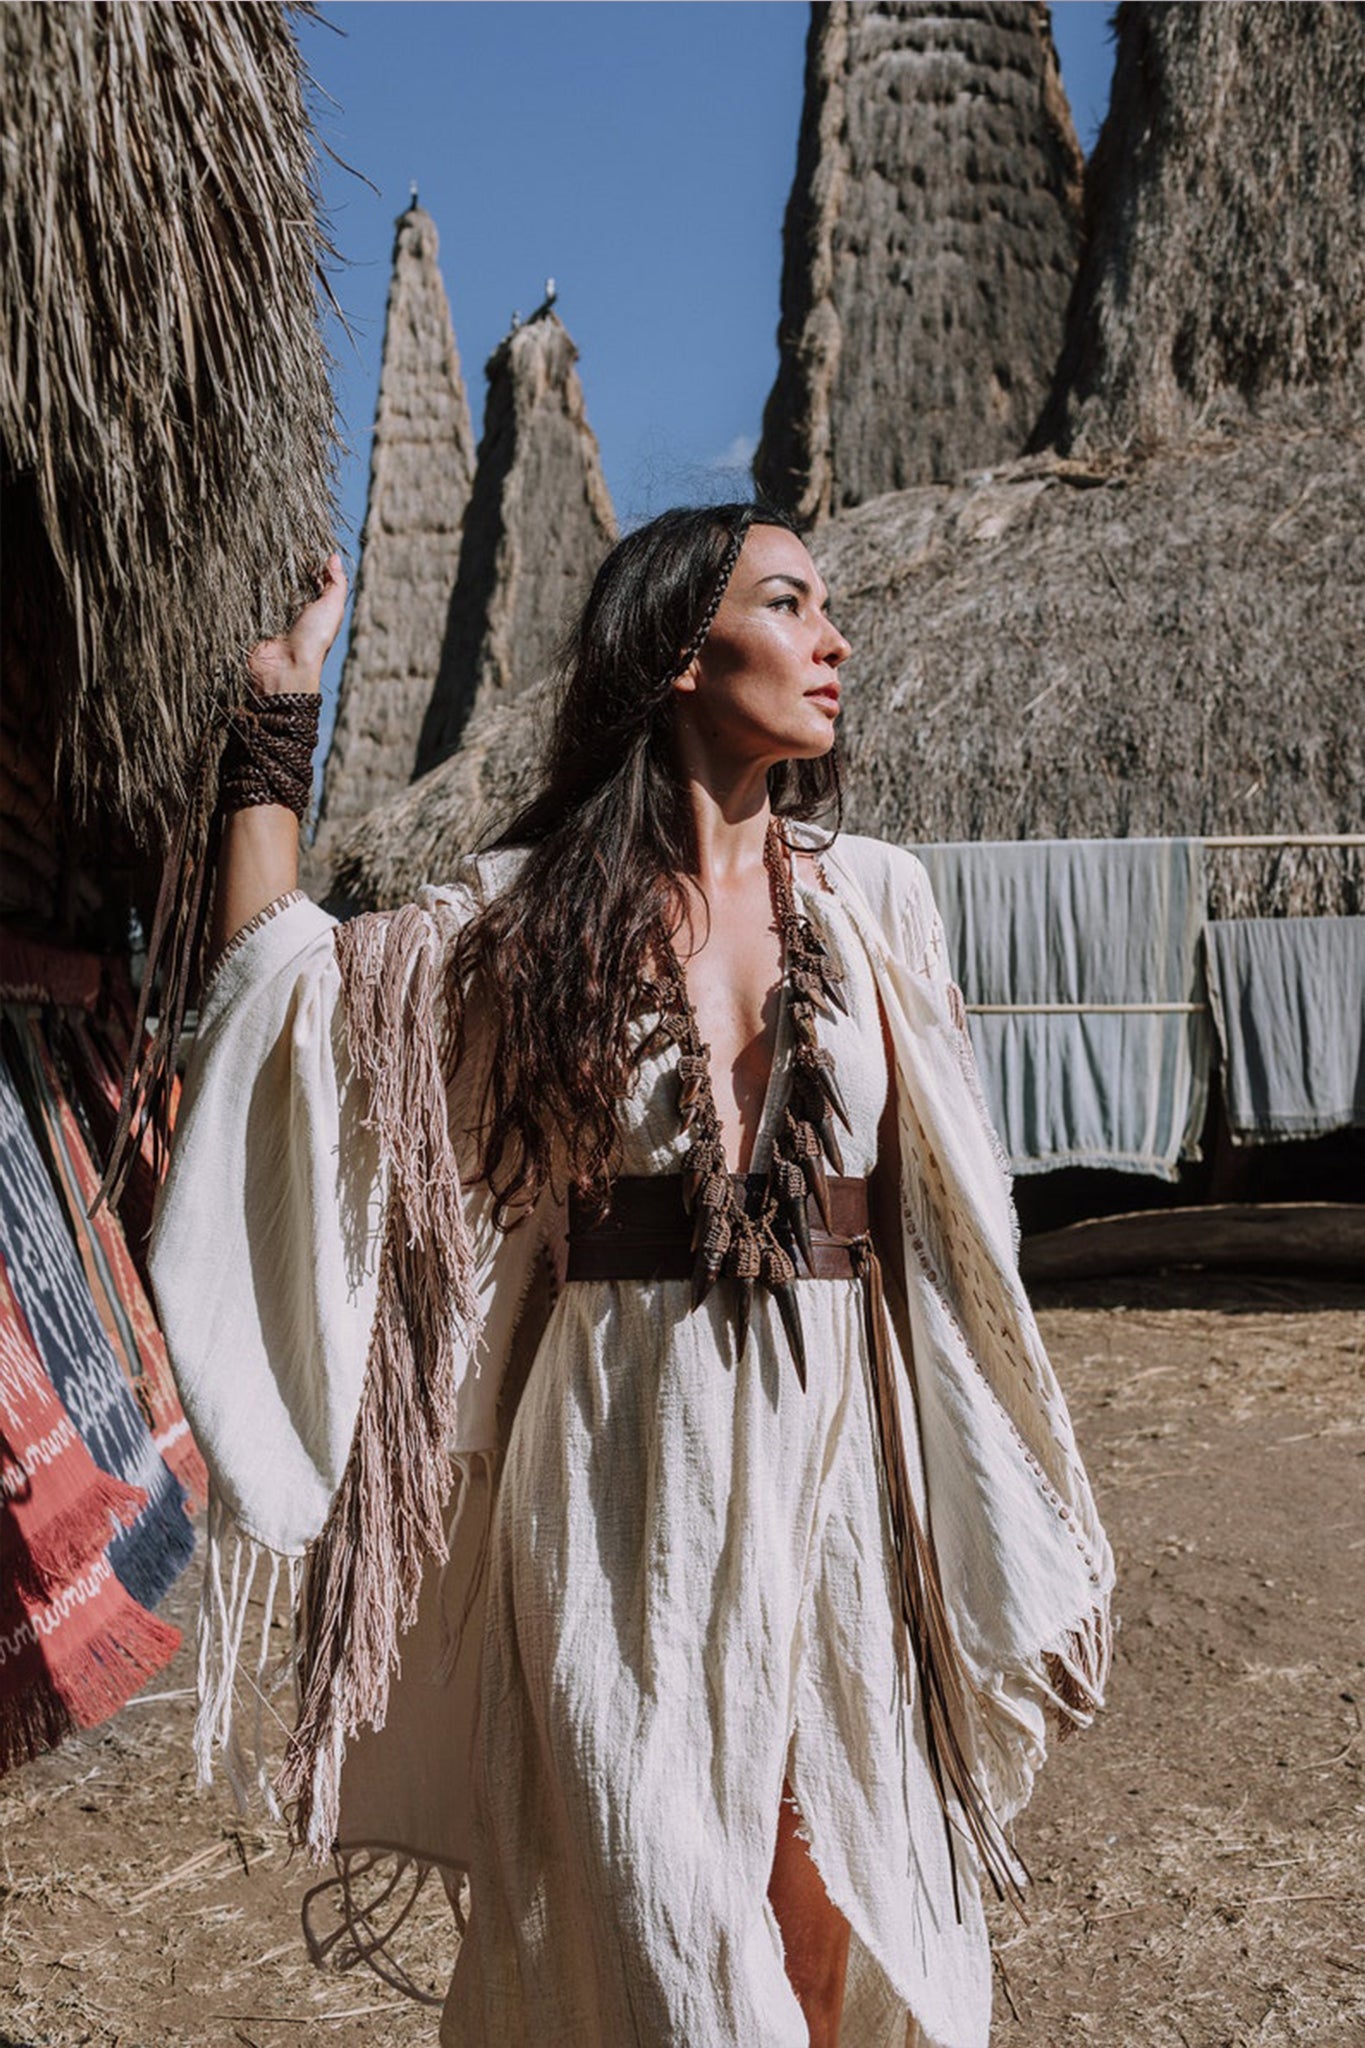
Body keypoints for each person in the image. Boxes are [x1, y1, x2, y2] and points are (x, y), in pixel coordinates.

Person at [151, 503, 1113, 2048]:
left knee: (830, 1902)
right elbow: (288, 1004)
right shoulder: (528, 918)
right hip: (614, 1460)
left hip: (838, 1466)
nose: (831, 640)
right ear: (677, 653)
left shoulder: (873, 900)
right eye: (788, 604)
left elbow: (950, 1220)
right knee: (653, 1897)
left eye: (824, 609)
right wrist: (277, 710)